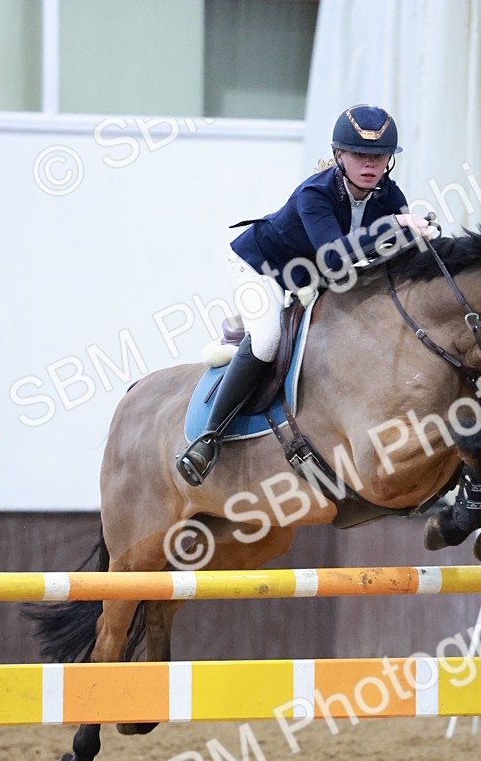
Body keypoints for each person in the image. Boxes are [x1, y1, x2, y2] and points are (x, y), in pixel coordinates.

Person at [176, 104, 436, 486]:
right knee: (267, 340)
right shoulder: (315, 193)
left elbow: (395, 257)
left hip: (313, 278)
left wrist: (425, 239)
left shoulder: (388, 194)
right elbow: (335, 255)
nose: (370, 165)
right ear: (339, 156)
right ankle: (208, 439)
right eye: (360, 155)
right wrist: (396, 225)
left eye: (379, 156)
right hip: (260, 269)